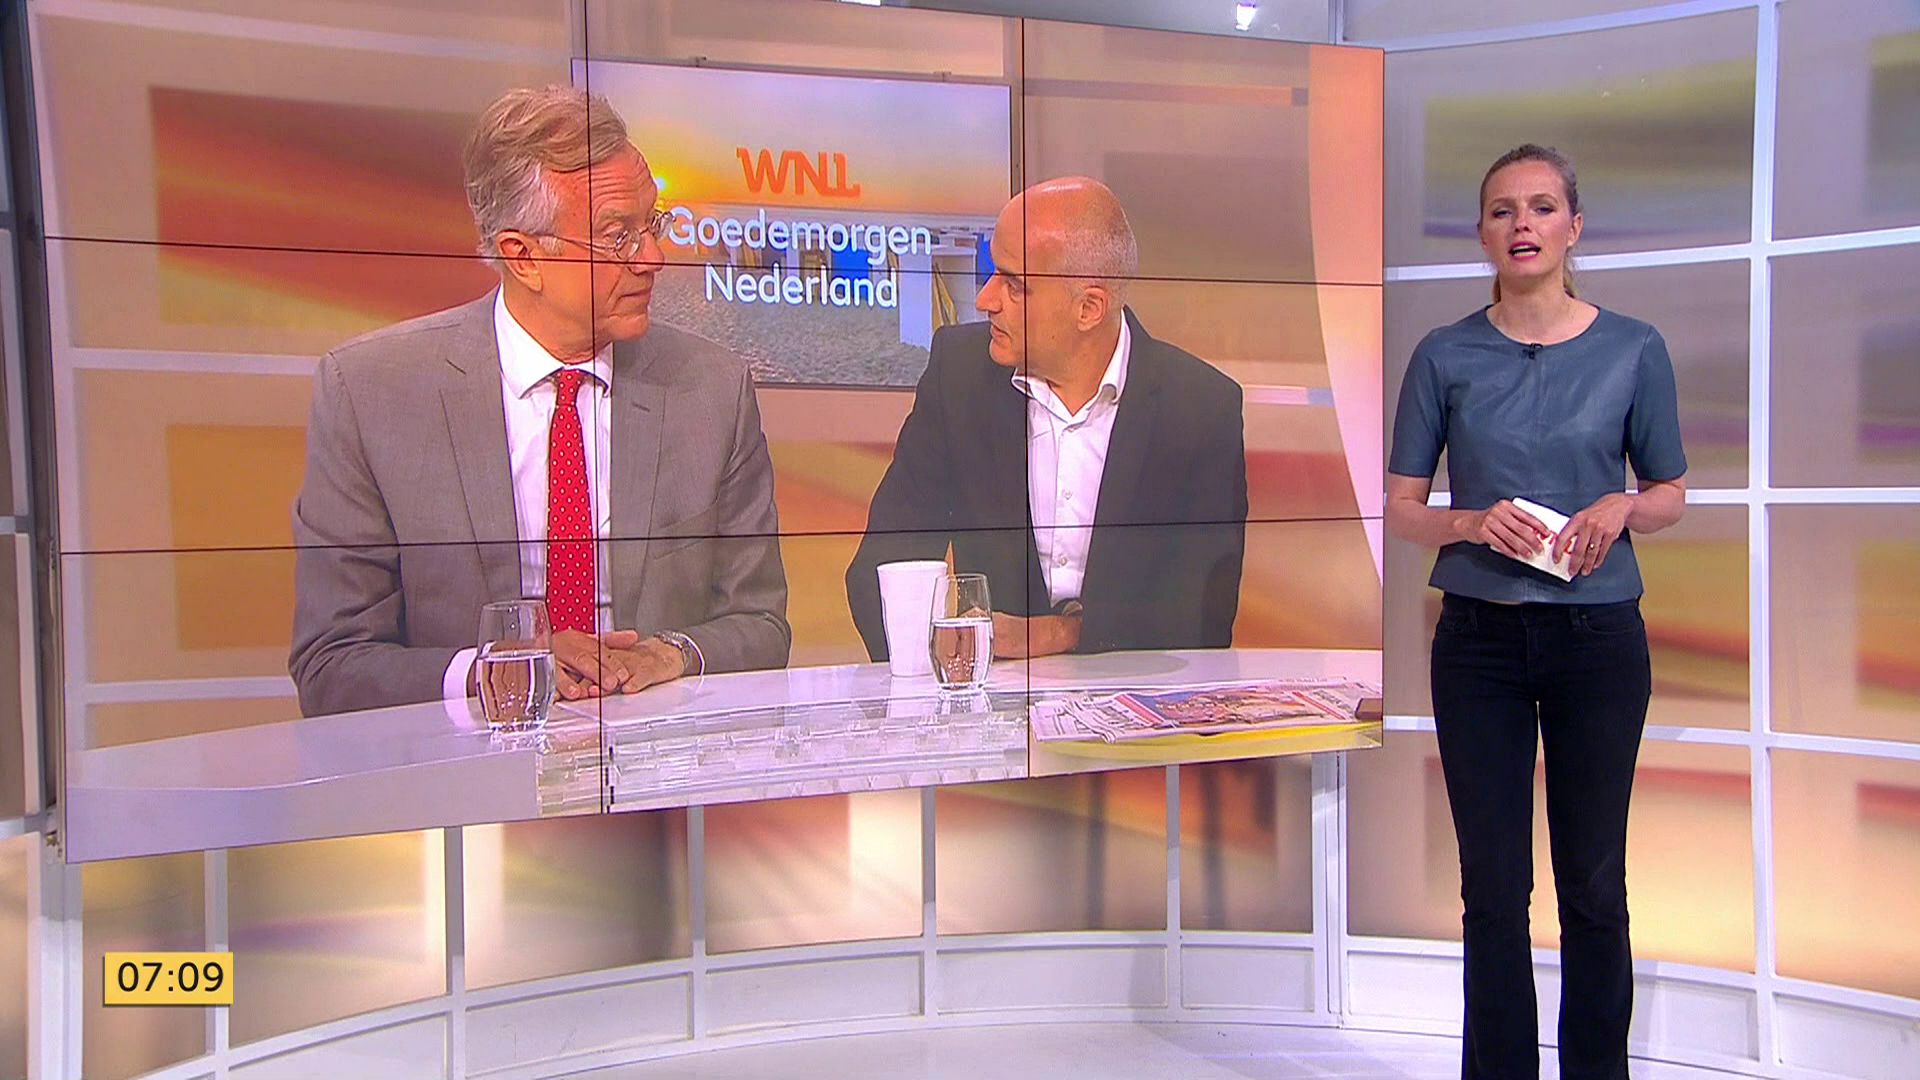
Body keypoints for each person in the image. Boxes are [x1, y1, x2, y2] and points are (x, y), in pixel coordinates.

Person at [289, 86, 788, 718]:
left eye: (652, 225)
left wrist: (670, 654)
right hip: (464, 761)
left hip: (654, 756)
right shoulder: (370, 393)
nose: (654, 259)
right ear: (523, 257)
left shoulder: (712, 390)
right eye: (618, 238)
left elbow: (761, 625)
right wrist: (498, 670)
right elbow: (332, 664)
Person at [1386, 144, 1688, 1077]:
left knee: (1593, 883)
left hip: (1599, 640)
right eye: (1503, 210)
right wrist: (1470, 521)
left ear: (1573, 227)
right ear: (1483, 234)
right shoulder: (1443, 354)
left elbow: (1670, 493)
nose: (1523, 224)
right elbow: (1402, 509)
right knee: (1492, 889)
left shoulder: (1634, 348)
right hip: (1478, 642)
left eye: (1543, 207)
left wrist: (1622, 507)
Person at [845, 176, 1246, 660]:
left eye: (1014, 285)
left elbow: (1200, 618)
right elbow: (883, 565)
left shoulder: (1199, 408)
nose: (985, 299)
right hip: (990, 695)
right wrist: (938, 669)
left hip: (1136, 695)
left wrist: (1060, 635)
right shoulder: (959, 378)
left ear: (1088, 308)